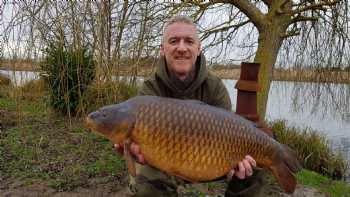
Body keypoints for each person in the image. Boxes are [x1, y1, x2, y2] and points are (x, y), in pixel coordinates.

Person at [115, 16, 265, 197]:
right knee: (146, 179)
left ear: (198, 48)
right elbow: (137, 147)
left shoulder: (215, 87)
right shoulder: (150, 89)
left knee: (253, 171)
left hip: (212, 163)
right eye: (173, 41)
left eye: (189, 41)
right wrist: (132, 150)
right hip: (166, 163)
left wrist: (237, 166)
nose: (181, 48)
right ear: (163, 49)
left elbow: (231, 135)